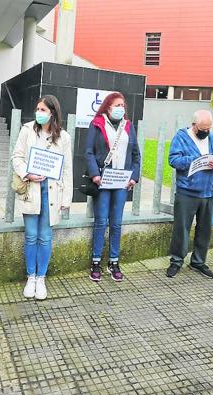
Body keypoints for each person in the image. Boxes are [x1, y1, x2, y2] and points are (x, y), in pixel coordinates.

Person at [11, 95, 72, 299]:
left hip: (52, 192)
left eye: (43, 110)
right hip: (31, 189)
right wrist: (27, 173)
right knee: (30, 236)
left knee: (45, 237)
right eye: (37, 109)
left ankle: (41, 278)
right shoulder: (27, 130)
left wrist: (66, 200)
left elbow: (67, 169)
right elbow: (17, 156)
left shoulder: (63, 137)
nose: (39, 113)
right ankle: (30, 276)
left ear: (53, 113)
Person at [84, 92, 141, 282]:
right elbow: (89, 152)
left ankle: (114, 262)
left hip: (121, 182)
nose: (121, 108)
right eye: (117, 105)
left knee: (116, 223)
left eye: (123, 105)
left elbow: (136, 154)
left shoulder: (128, 126)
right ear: (108, 107)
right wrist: (95, 174)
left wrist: (134, 177)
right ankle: (95, 262)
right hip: (103, 181)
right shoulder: (97, 124)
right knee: (101, 222)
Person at [166, 110, 213, 278]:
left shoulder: (212, 138)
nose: (206, 132)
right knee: (181, 229)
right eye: (203, 129)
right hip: (187, 192)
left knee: (205, 230)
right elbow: (173, 160)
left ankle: (198, 261)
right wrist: (194, 159)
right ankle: (176, 261)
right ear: (194, 125)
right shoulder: (181, 137)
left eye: (209, 128)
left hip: (208, 191)